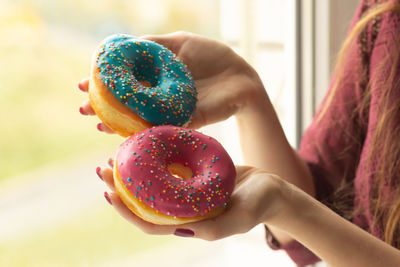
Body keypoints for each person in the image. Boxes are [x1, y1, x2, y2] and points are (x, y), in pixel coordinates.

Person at [78, 0, 400, 265]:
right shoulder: (384, 16)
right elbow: (321, 208)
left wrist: (287, 204)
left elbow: (306, 210)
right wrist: (248, 95)